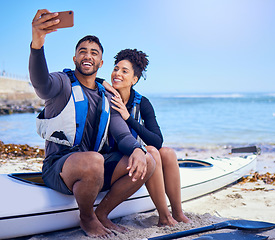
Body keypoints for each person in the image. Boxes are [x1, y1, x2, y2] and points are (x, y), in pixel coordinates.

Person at [29, 10, 155, 238]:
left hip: (94, 167)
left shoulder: (107, 96)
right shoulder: (62, 84)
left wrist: (137, 149)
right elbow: (41, 84)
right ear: (75, 58)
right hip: (58, 167)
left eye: (94, 53)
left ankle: (103, 213)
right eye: (82, 52)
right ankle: (86, 217)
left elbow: (122, 133)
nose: (88, 56)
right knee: (94, 160)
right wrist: (37, 45)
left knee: (147, 159)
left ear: (101, 61)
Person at [101, 49, 190, 226]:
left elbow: (157, 140)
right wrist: (102, 81)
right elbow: (91, 80)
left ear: (134, 80)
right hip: (110, 160)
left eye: (124, 71)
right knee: (150, 152)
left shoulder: (142, 102)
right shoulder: (105, 96)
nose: (117, 74)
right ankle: (164, 217)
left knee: (168, 153)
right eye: (116, 69)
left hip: (133, 159)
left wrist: (128, 118)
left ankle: (177, 213)